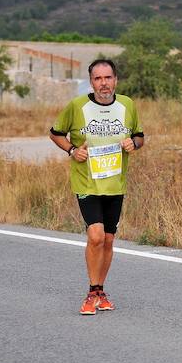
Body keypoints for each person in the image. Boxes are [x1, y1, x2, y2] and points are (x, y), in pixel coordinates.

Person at [49, 59, 143, 315]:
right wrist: (71, 150)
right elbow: (55, 132)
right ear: (91, 82)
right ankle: (91, 292)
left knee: (109, 240)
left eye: (108, 78)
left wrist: (133, 144)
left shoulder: (127, 105)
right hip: (86, 181)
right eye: (98, 79)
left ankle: (101, 290)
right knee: (96, 236)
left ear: (116, 80)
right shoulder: (77, 106)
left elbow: (139, 135)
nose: (104, 83)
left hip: (115, 183)